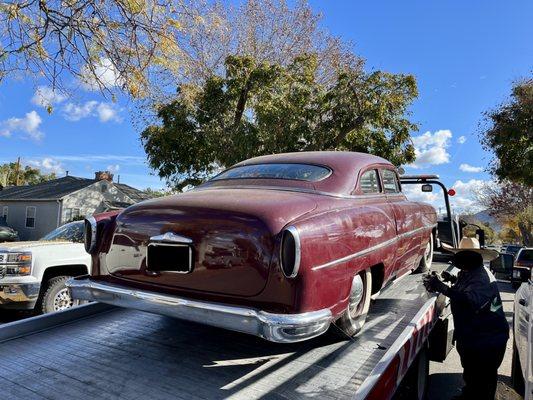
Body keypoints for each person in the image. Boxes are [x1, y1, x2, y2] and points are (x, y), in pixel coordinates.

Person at [423, 250, 509, 400]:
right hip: (476, 336)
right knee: (472, 373)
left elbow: (469, 301)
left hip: (488, 340)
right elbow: (465, 282)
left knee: (482, 378)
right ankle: (469, 395)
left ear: (467, 265)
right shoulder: (473, 271)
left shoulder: (482, 280)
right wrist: (452, 278)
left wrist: (442, 287)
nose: (460, 270)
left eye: (460, 266)